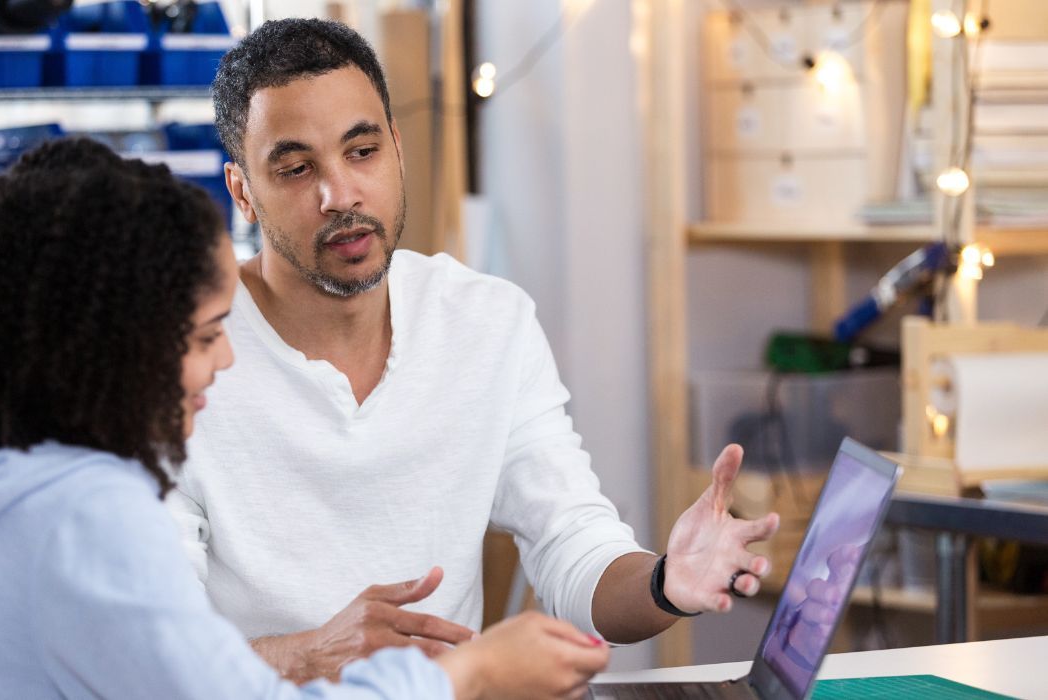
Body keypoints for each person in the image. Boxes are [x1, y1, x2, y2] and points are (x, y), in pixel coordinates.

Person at [168, 17, 781, 682]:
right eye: (295, 168)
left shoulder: (487, 322)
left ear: (398, 149)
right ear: (242, 193)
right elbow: (150, 659)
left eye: (363, 151)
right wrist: (312, 653)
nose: (340, 194)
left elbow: (571, 542)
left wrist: (667, 581)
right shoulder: (182, 356)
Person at [0, 137, 609, 699]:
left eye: (363, 151)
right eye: (208, 336)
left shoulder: (3, 484)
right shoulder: (85, 516)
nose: (227, 358)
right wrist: (475, 672)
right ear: (113, 346)